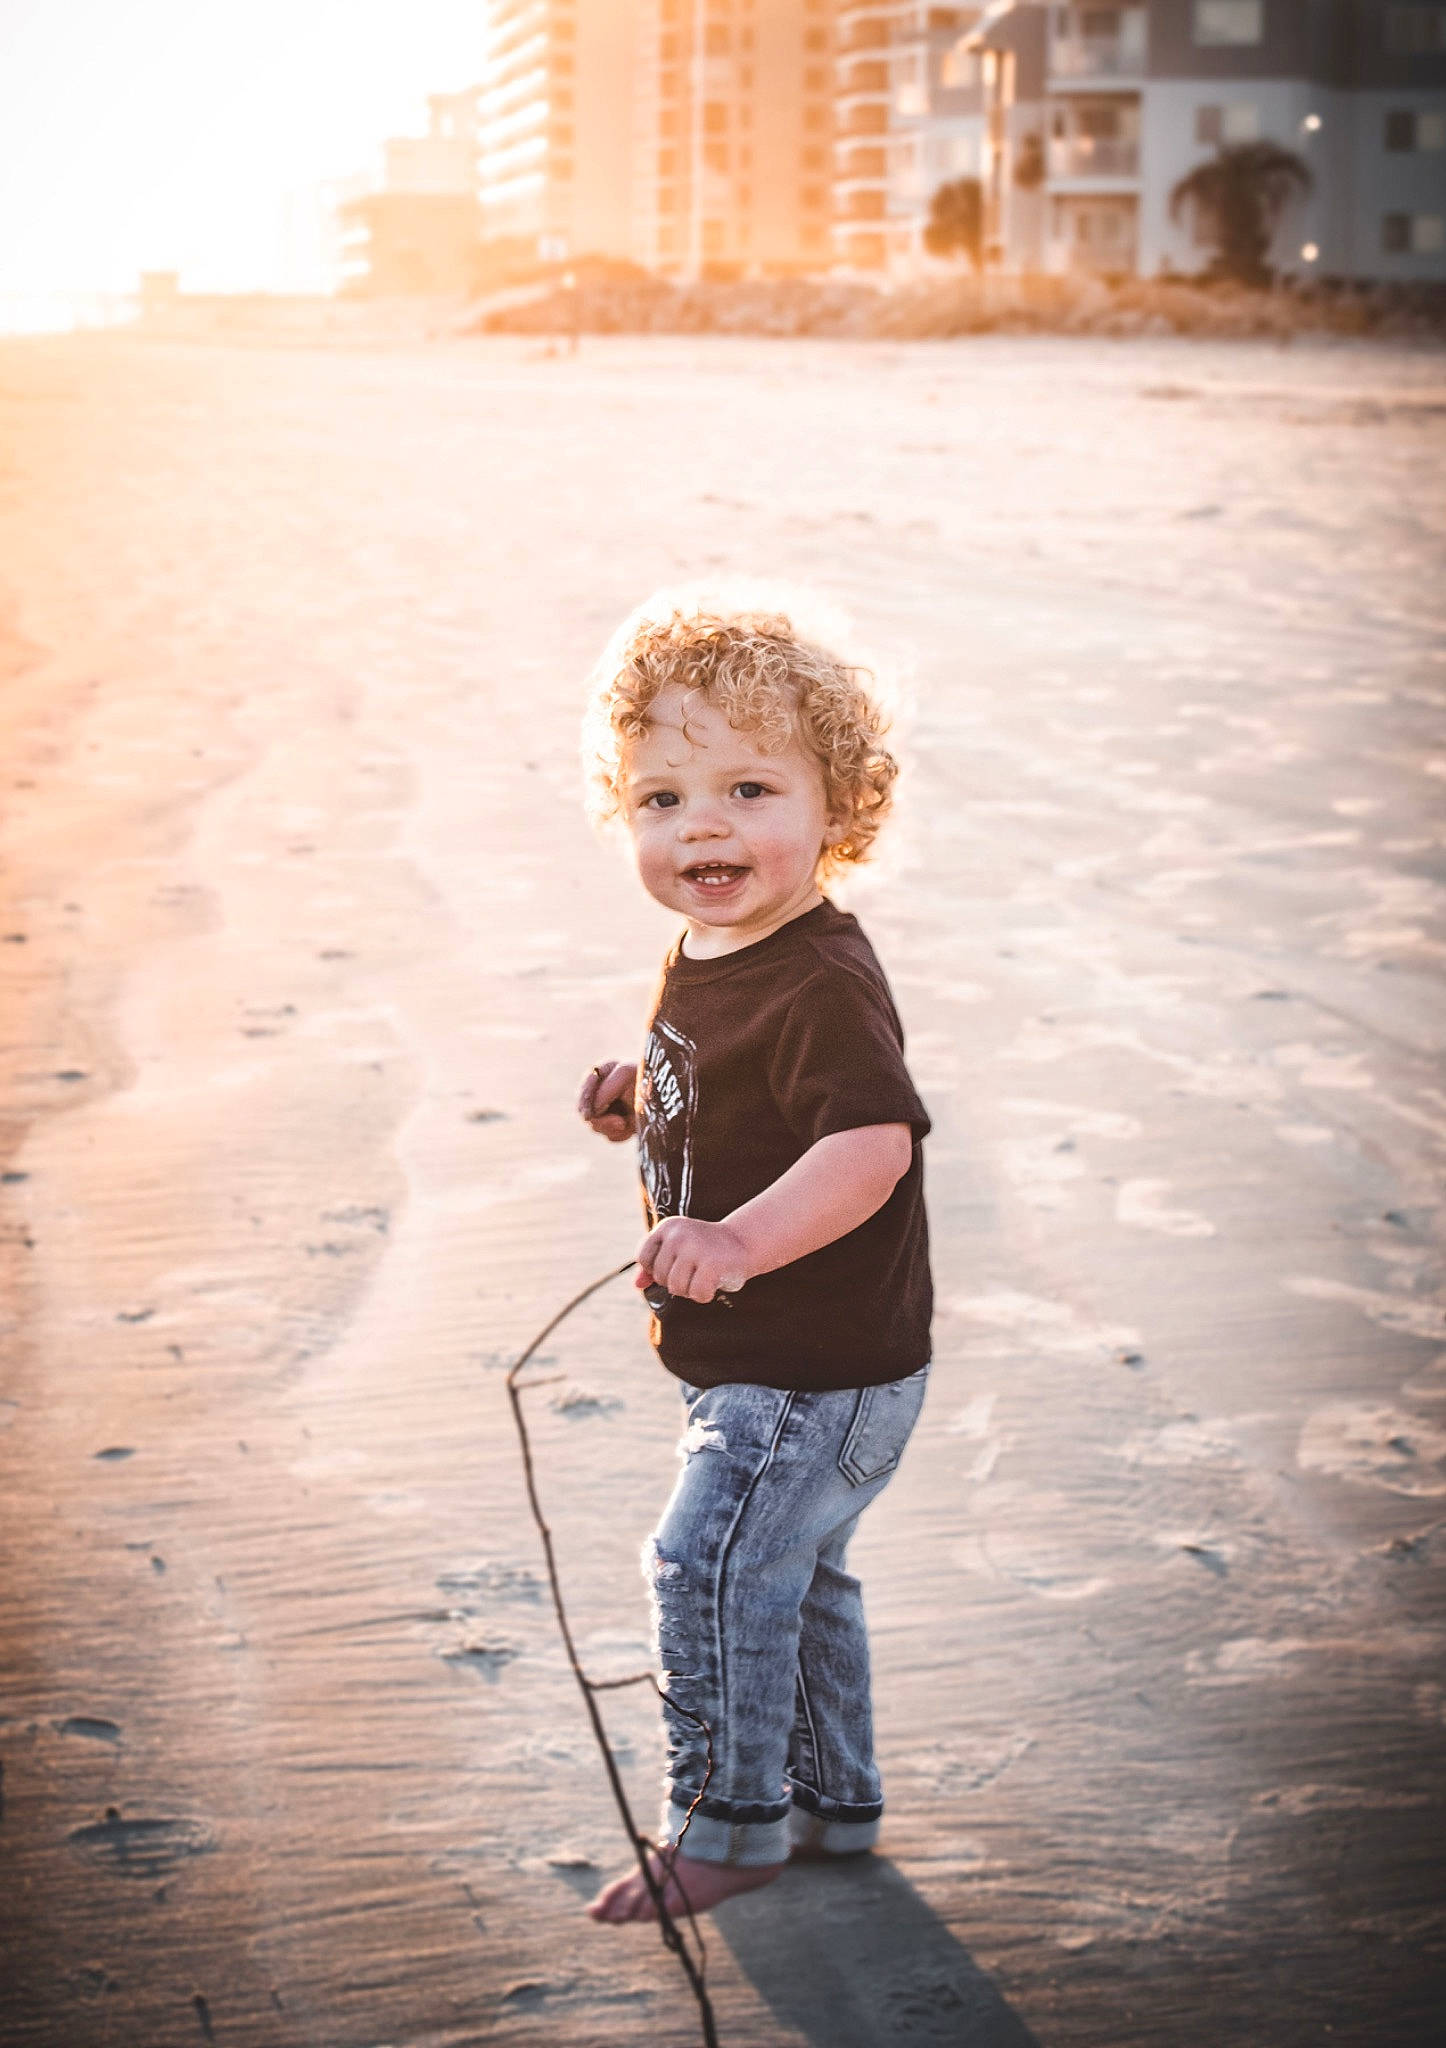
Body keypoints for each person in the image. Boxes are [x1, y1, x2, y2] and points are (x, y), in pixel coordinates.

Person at [575, 594, 933, 1925]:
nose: (703, 826)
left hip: (807, 1369)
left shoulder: (817, 979)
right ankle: (833, 1807)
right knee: (798, 1575)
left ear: (836, 807)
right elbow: (735, 1094)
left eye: (745, 788)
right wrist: (641, 1101)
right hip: (787, 1363)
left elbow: (865, 1148)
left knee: (706, 1566)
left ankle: (729, 1826)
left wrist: (731, 1238)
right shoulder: (715, 944)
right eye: (661, 799)